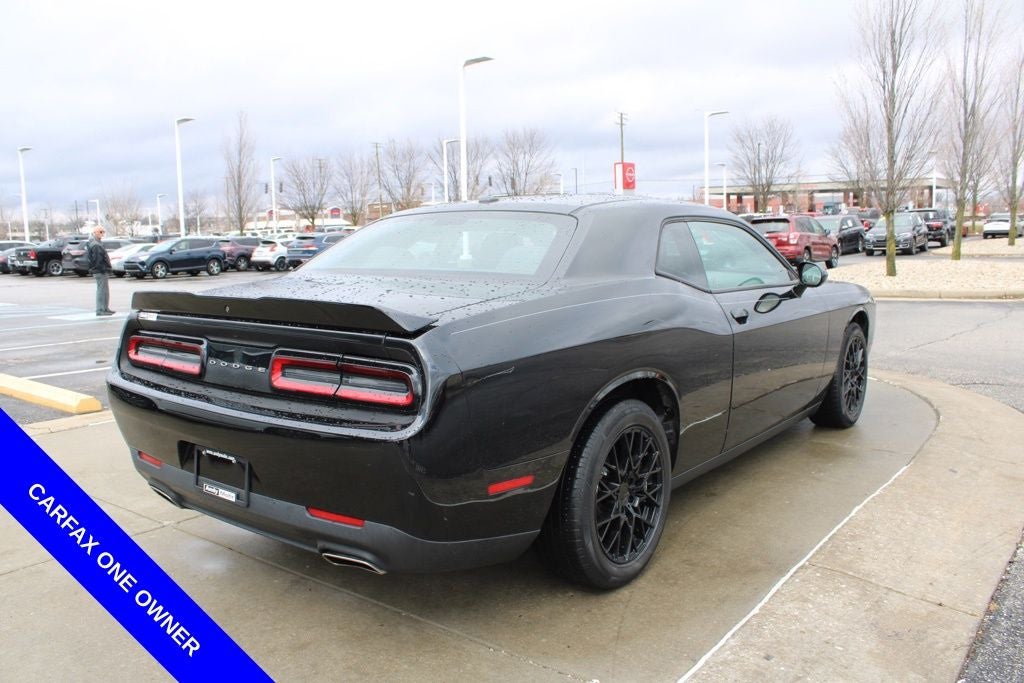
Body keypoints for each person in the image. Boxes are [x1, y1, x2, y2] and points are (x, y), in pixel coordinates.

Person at [86, 224, 115, 316]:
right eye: (101, 232)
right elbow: (97, 260)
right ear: (95, 233)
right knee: (102, 291)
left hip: (101, 270)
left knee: (105, 290)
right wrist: (103, 269)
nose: (102, 234)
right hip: (100, 271)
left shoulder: (97, 243)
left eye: (103, 232)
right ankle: (100, 309)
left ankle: (105, 308)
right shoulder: (96, 245)